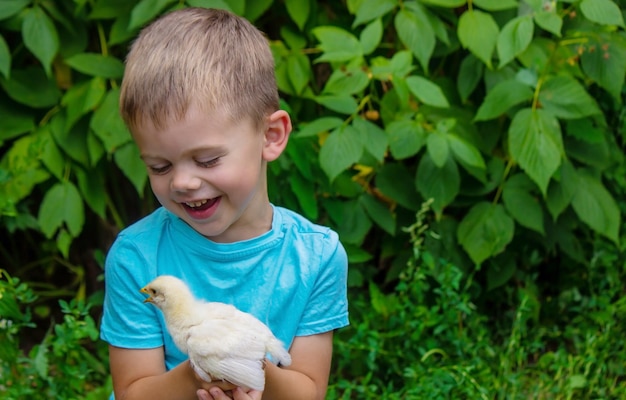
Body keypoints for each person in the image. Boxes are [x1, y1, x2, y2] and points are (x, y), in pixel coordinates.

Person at [99, 7, 349, 400]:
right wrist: (201, 373)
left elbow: (308, 391)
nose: (182, 182)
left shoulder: (315, 257)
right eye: (159, 165)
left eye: (208, 160)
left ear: (270, 136)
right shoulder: (137, 257)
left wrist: (244, 368)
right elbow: (132, 391)